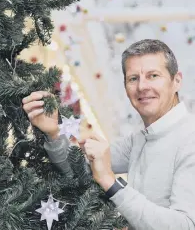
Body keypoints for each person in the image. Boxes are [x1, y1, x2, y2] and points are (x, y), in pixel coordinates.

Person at [22, 39, 195, 230]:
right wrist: (54, 132)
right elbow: (78, 169)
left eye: (153, 75)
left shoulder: (190, 139)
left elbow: (185, 225)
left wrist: (111, 183)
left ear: (176, 80)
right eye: (133, 78)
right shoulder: (139, 140)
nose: (142, 87)